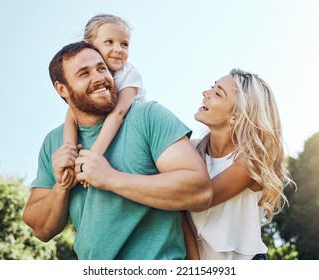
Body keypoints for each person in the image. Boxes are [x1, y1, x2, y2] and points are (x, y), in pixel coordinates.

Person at [22, 41, 212, 260]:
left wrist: (110, 178)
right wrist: (61, 186)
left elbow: (200, 191)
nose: (99, 78)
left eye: (101, 68)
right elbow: (41, 230)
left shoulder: (148, 116)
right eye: (84, 73)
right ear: (62, 89)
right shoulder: (54, 142)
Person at [189, 69, 294, 260]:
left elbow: (196, 200)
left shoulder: (251, 163)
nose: (206, 93)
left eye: (218, 93)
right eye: (213, 87)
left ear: (235, 116)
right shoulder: (193, 149)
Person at [62, 14, 146, 187]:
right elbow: (71, 117)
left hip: (137, 133)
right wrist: (71, 159)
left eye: (124, 44)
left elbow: (119, 113)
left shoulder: (128, 74)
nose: (119, 49)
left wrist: (93, 157)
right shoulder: (89, 82)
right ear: (89, 46)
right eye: (109, 42)